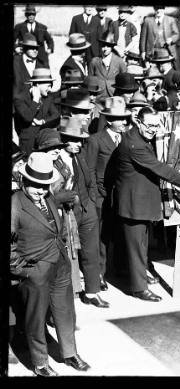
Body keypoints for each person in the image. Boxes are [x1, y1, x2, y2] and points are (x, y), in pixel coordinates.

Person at [11, 152, 91, 376]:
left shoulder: (47, 197)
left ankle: (70, 353)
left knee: (65, 312)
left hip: (59, 265)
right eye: (35, 185)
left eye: (45, 186)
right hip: (35, 271)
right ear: (24, 181)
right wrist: (23, 269)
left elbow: (56, 227)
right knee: (36, 319)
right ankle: (40, 362)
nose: (41, 191)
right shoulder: (15, 204)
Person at [113, 106, 180, 301]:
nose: (153, 129)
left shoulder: (139, 137)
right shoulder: (135, 144)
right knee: (136, 247)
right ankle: (138, 288)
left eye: (156, 125)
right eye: (149, 125)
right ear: (138, 121)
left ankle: (140, 276)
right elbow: (159, 167)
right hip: (133, 204)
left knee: (141, 244)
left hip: (140, 202)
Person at [54, 116, 109, 308]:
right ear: (62, 139)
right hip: (65, 213)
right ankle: (65, 298)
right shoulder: (53, 159)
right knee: (64, 257)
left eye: (81, 140)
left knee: (91, 252)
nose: (79, 144)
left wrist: (91, 200)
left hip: (87, 210)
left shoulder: (80, 155)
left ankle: (92, 292)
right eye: (74, 140)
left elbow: (90, 177)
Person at [86, 96, 132, 288]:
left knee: (120, 232)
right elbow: (89, 169)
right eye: (120, 119)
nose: (124, 122)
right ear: (110, 120)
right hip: (102, 196)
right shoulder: (96, 140)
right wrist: (95, 194)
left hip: (120, 195)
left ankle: (121, 267)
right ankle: (100, 274)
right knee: (102, 237)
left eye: (125, 118)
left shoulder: (127, 138)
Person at [13, 68, 60, 155]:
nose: (50, 89)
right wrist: (35, 100)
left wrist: (42, 121)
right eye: (48, 86)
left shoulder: (48, 98)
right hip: (28, 144)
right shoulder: (20, 99)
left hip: (44, 141)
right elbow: (27, 118)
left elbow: (56, 114)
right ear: (38, 84)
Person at [88, 33, 127, 98]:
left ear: (112, 47)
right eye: (103, 46)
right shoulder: (94, 61)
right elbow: (90, 79)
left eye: (108, 46)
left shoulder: (119, 61)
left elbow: (124, 80)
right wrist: (92, 94)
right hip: (98, 96)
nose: (105, 49)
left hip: (114, 95)